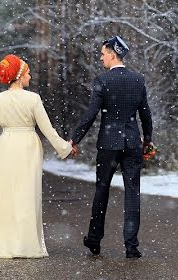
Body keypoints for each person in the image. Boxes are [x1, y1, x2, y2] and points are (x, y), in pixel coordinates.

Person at [0, 54, 74, 258]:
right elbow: (47, 129)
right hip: (28, 147)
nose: (30, 76)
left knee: (4, 194)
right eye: (28, 73)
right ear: (20, 76)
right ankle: (22, 243)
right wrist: (64, 148)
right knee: (25, 194)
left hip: (6, 146)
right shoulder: (33, 99)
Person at [70, 36, 154, 259]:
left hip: (108, 143)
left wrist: (75, 139)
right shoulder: (138, 80)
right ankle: (131, 246)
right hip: (133, 142)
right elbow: (145, 114)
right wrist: (148, 139)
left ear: (112, 54)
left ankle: (94, 240)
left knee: (102, 190)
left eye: (102, 53)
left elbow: (90, 114)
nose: (100, 58)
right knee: (132, 193)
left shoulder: (102, 81)